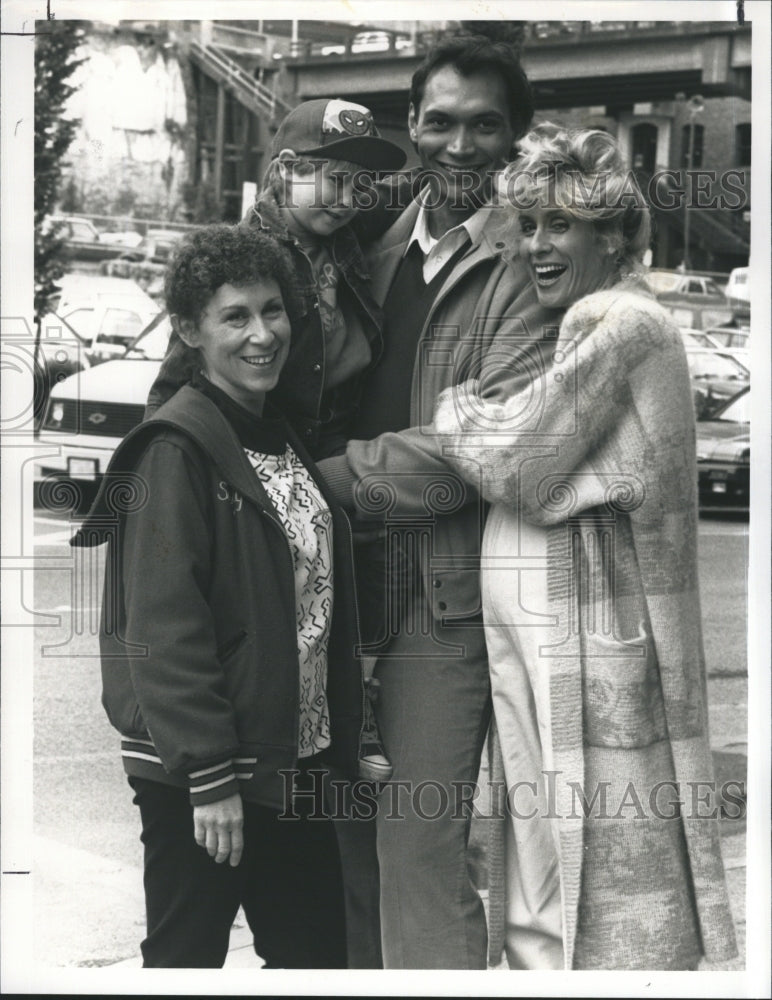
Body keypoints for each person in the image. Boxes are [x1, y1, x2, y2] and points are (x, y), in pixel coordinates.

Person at [404, 124, 738, 969]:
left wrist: (456, 413)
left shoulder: (617, 317)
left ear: (614, 237)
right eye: (530, 224)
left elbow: (517, 462)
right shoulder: (607, 320)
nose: (537, 244)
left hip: (579, 612)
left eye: (561, 225)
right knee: (541, 822)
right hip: (550, 602)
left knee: (566, 831)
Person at [317, 32, 560, 969]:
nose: (461, 147)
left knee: (418, 857)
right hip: (341, 590)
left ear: (518, 139)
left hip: (442, 604)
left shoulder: (531, 266)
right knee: (352, 851)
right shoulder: (371, 242)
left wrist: (319, 485)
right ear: (412, 126)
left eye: (486, 127)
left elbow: (475, 449)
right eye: (441, 122)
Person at [72, 225, 369, 968]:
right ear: (188, 331)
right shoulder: (176, 447)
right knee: (186, 960)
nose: (263, 334)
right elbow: (164, 625)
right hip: (204, 775)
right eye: (235, 317)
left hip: (288, 765)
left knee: (316, 958)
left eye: (274, 311)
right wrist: (208, 778)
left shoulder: (275, 433)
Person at [145, 97, 405, 463]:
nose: (349, 200)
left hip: (338, 434)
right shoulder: (240, 254)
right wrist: (154, 462)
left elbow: (410, 191)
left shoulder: (347, 227)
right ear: (287, 169)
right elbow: (178, 373)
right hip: (267, 442)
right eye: (337, 181)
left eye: (362, 187)